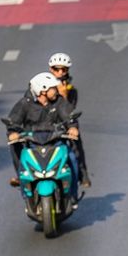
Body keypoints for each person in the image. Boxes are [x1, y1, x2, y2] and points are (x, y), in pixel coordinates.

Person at [5, 72, 78, 188]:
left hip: (56, 142)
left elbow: (68, 117)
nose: (56, 91)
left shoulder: (59, 102)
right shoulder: (25, 103)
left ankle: (72, 193)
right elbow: (13, 121)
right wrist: (13, 133)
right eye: (53, 88)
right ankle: (22, 182)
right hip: (32, 144)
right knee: (17, 152)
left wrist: (72, 127)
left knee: (72, 158)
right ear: (43, 91)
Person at [47, 52, 91, 187]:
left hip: (63, 125)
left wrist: (64, 95)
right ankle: (22, 173)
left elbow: (69, 111)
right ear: (51, 69)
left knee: (76, 144)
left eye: (63, 69)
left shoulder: (71, 90)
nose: (60, 72)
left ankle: (83, 174)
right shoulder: (42, 85)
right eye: (56, 69)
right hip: (43, 124)